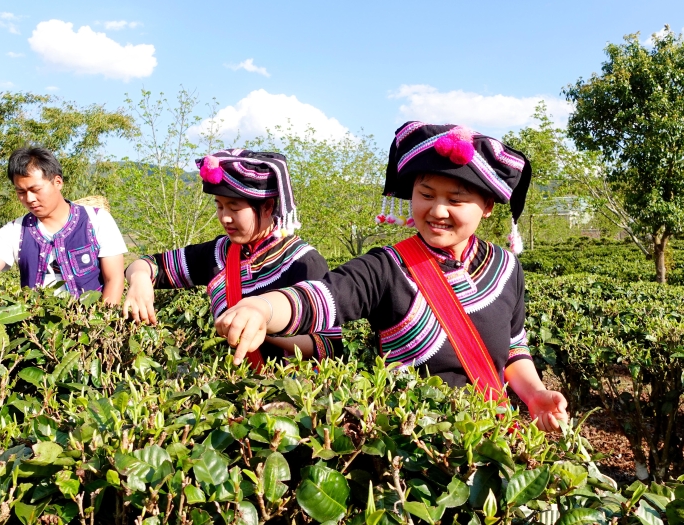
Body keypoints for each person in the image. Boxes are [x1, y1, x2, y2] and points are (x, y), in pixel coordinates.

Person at [215, 123, 568, 431]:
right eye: (426, 195)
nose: (437, 210)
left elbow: (514, 346)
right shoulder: (387, 268)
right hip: (413, 453)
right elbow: (323, 296)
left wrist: (534, 394)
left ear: (488, 207)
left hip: (490, 442)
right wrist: (262, 308)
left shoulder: (506, 267)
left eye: (456, 200)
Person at [122, 149, 341, 364]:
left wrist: (261, 327)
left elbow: (328, 344)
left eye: (234, 208)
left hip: (287, 390)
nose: (224, 218)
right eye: (219, 206)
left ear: (267, 207)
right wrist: (140, 279)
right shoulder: (218, 253)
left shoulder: (302, 261)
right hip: (229, 385)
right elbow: (151, 265)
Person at [0, 146, 127, 304]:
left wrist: (100, 327)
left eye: (36, 190)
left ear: (58, 182)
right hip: (36, 332)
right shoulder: (14, 232)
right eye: (21, 192)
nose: (29, 199)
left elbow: (114, 279)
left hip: (89, 327)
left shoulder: (97, 220)